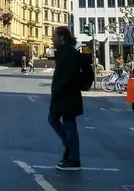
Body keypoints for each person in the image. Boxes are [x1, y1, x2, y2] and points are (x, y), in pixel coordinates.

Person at [48, 26, 83, 171]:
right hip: (66, 96)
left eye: (54, 36)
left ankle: (74, 159)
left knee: (68, 125)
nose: (52, 39)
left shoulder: (68, 53)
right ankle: (70, 149)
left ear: (61, 37)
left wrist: (56, 91)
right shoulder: (65, 51)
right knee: (55, 120)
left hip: (66, 96)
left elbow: (67, 77)